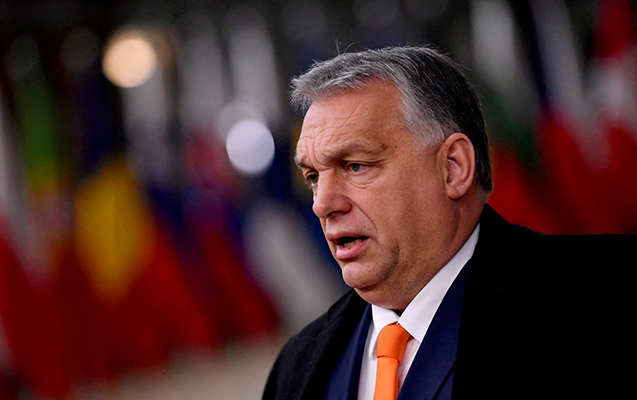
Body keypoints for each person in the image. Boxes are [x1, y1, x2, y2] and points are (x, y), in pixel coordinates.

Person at [262, 46, 635, 400]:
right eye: (313, 177)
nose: (323, 204)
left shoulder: (606, 295)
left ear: (453, 167)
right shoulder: (297, 366)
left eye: (355, 166)